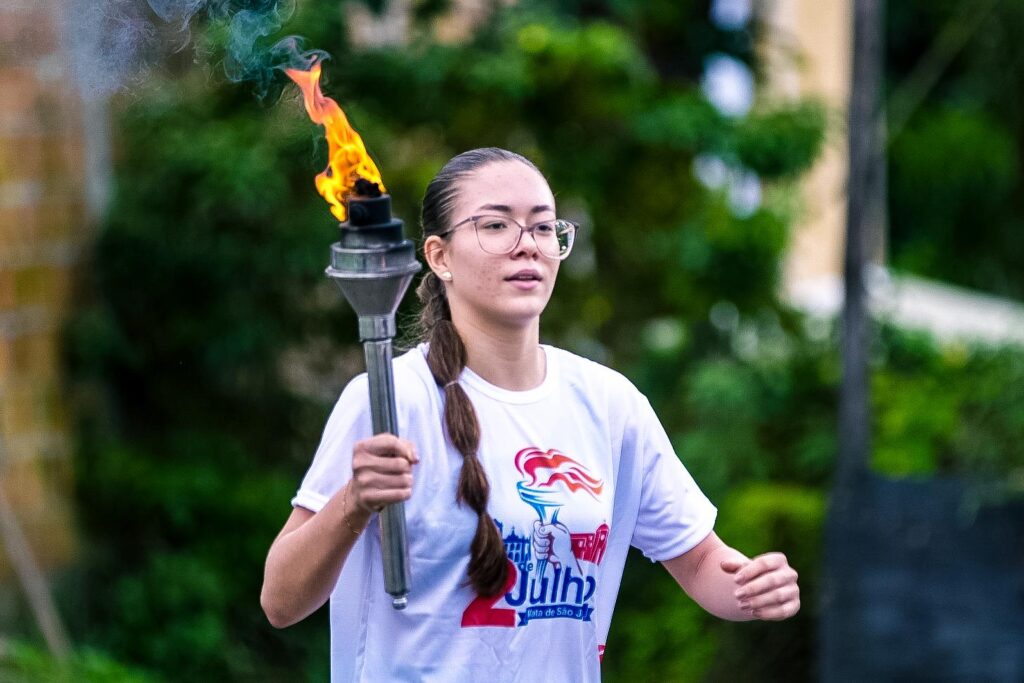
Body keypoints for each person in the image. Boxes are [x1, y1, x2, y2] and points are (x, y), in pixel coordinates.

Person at [260, 148, 800, 682]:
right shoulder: (390, 399)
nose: (528, 245)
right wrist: (354, 501)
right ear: (440, 257)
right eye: (496, 225)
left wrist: (751, 589)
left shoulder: (610, 404)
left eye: (543, 228)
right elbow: (281, 602)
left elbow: (701, 562)